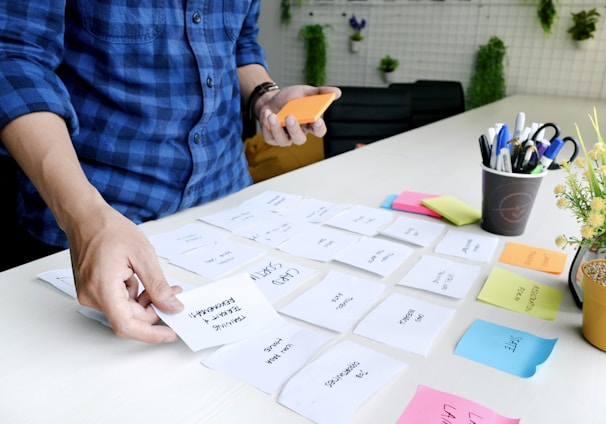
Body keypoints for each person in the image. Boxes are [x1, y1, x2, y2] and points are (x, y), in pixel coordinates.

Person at [0, 2, 340, 343]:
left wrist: (266, 96)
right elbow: (13, 59)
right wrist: (85, 217)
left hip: (226, 205)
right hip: (95, 221)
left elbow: (240, 43)